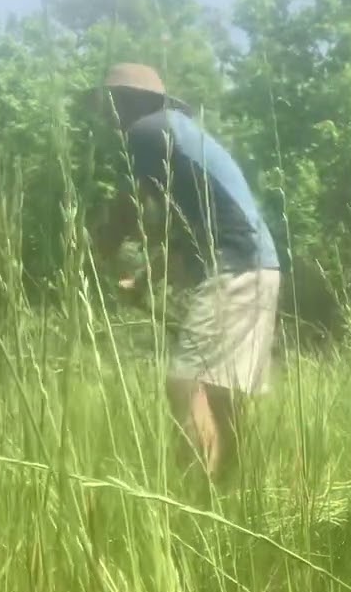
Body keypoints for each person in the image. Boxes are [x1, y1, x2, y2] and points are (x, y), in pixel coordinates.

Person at [85, 62, 281, 489]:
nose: (104, 117)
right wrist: (142, 282)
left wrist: (97, 248)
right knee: (222, 396)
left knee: (184, 384)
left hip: (235, 266)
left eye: (108, 105)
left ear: (125, 103)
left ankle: (198, 505)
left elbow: (126, 208)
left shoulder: (147, 131)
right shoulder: (175, 136)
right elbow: (179, 233)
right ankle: (237, 496)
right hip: (255, 264)